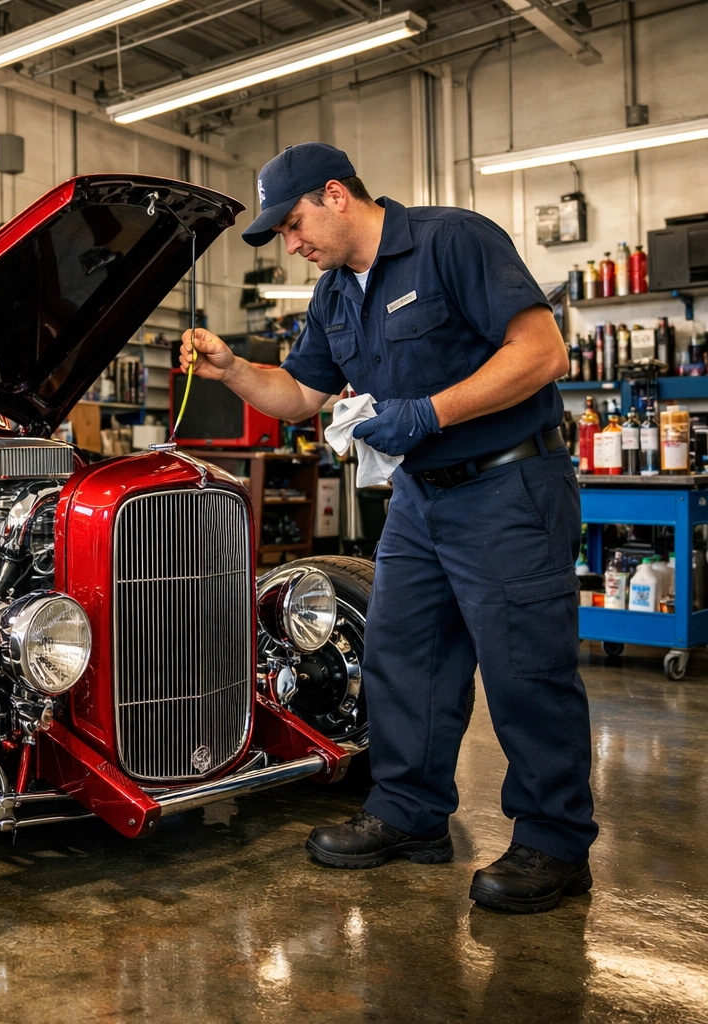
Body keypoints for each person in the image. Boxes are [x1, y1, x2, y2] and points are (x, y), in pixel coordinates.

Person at [180, 143, 595, 914]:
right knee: (403, 655)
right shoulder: (335, 296)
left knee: (523, 669)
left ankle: (555, 842)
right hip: (419, 499)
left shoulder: (451, 240)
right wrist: (233, 369)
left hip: (508, 484)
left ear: (336, 194)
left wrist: (427, 412)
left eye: (295, 223)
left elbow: (542, 352)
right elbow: (302, 395)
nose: (292, 245)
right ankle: (410, 814)